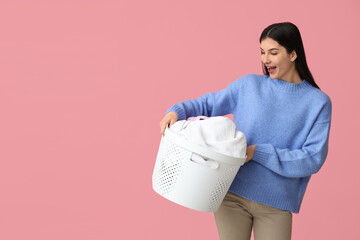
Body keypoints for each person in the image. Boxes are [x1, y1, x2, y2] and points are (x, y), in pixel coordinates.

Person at [159, 22, 332, 240]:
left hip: (275, 204)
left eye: (273, 52)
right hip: (231, 195)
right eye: (262, 52)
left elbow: (312, 158)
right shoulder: (249, 86)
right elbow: (209, 103)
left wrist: (259, 152)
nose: (265, 59)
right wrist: (177, 111)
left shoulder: (317, 102)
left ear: (293, 54)